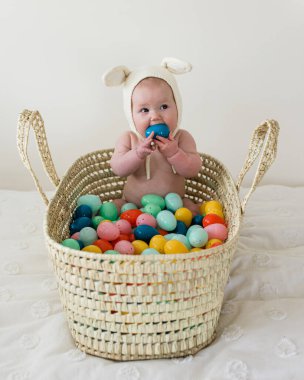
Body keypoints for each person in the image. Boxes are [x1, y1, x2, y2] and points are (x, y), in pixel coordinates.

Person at [102, 57, 201, 214]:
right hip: (133, 207)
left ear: (177, 107)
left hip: (174, 209)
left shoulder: (182, 138)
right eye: (144, 110)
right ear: (131, 114)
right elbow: (118, 169)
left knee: (192, 210)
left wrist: (175, 153)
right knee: (113, 208)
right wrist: (137, 153)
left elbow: (193, 170)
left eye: (163, 106)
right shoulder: (129, 138)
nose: (155, 116)